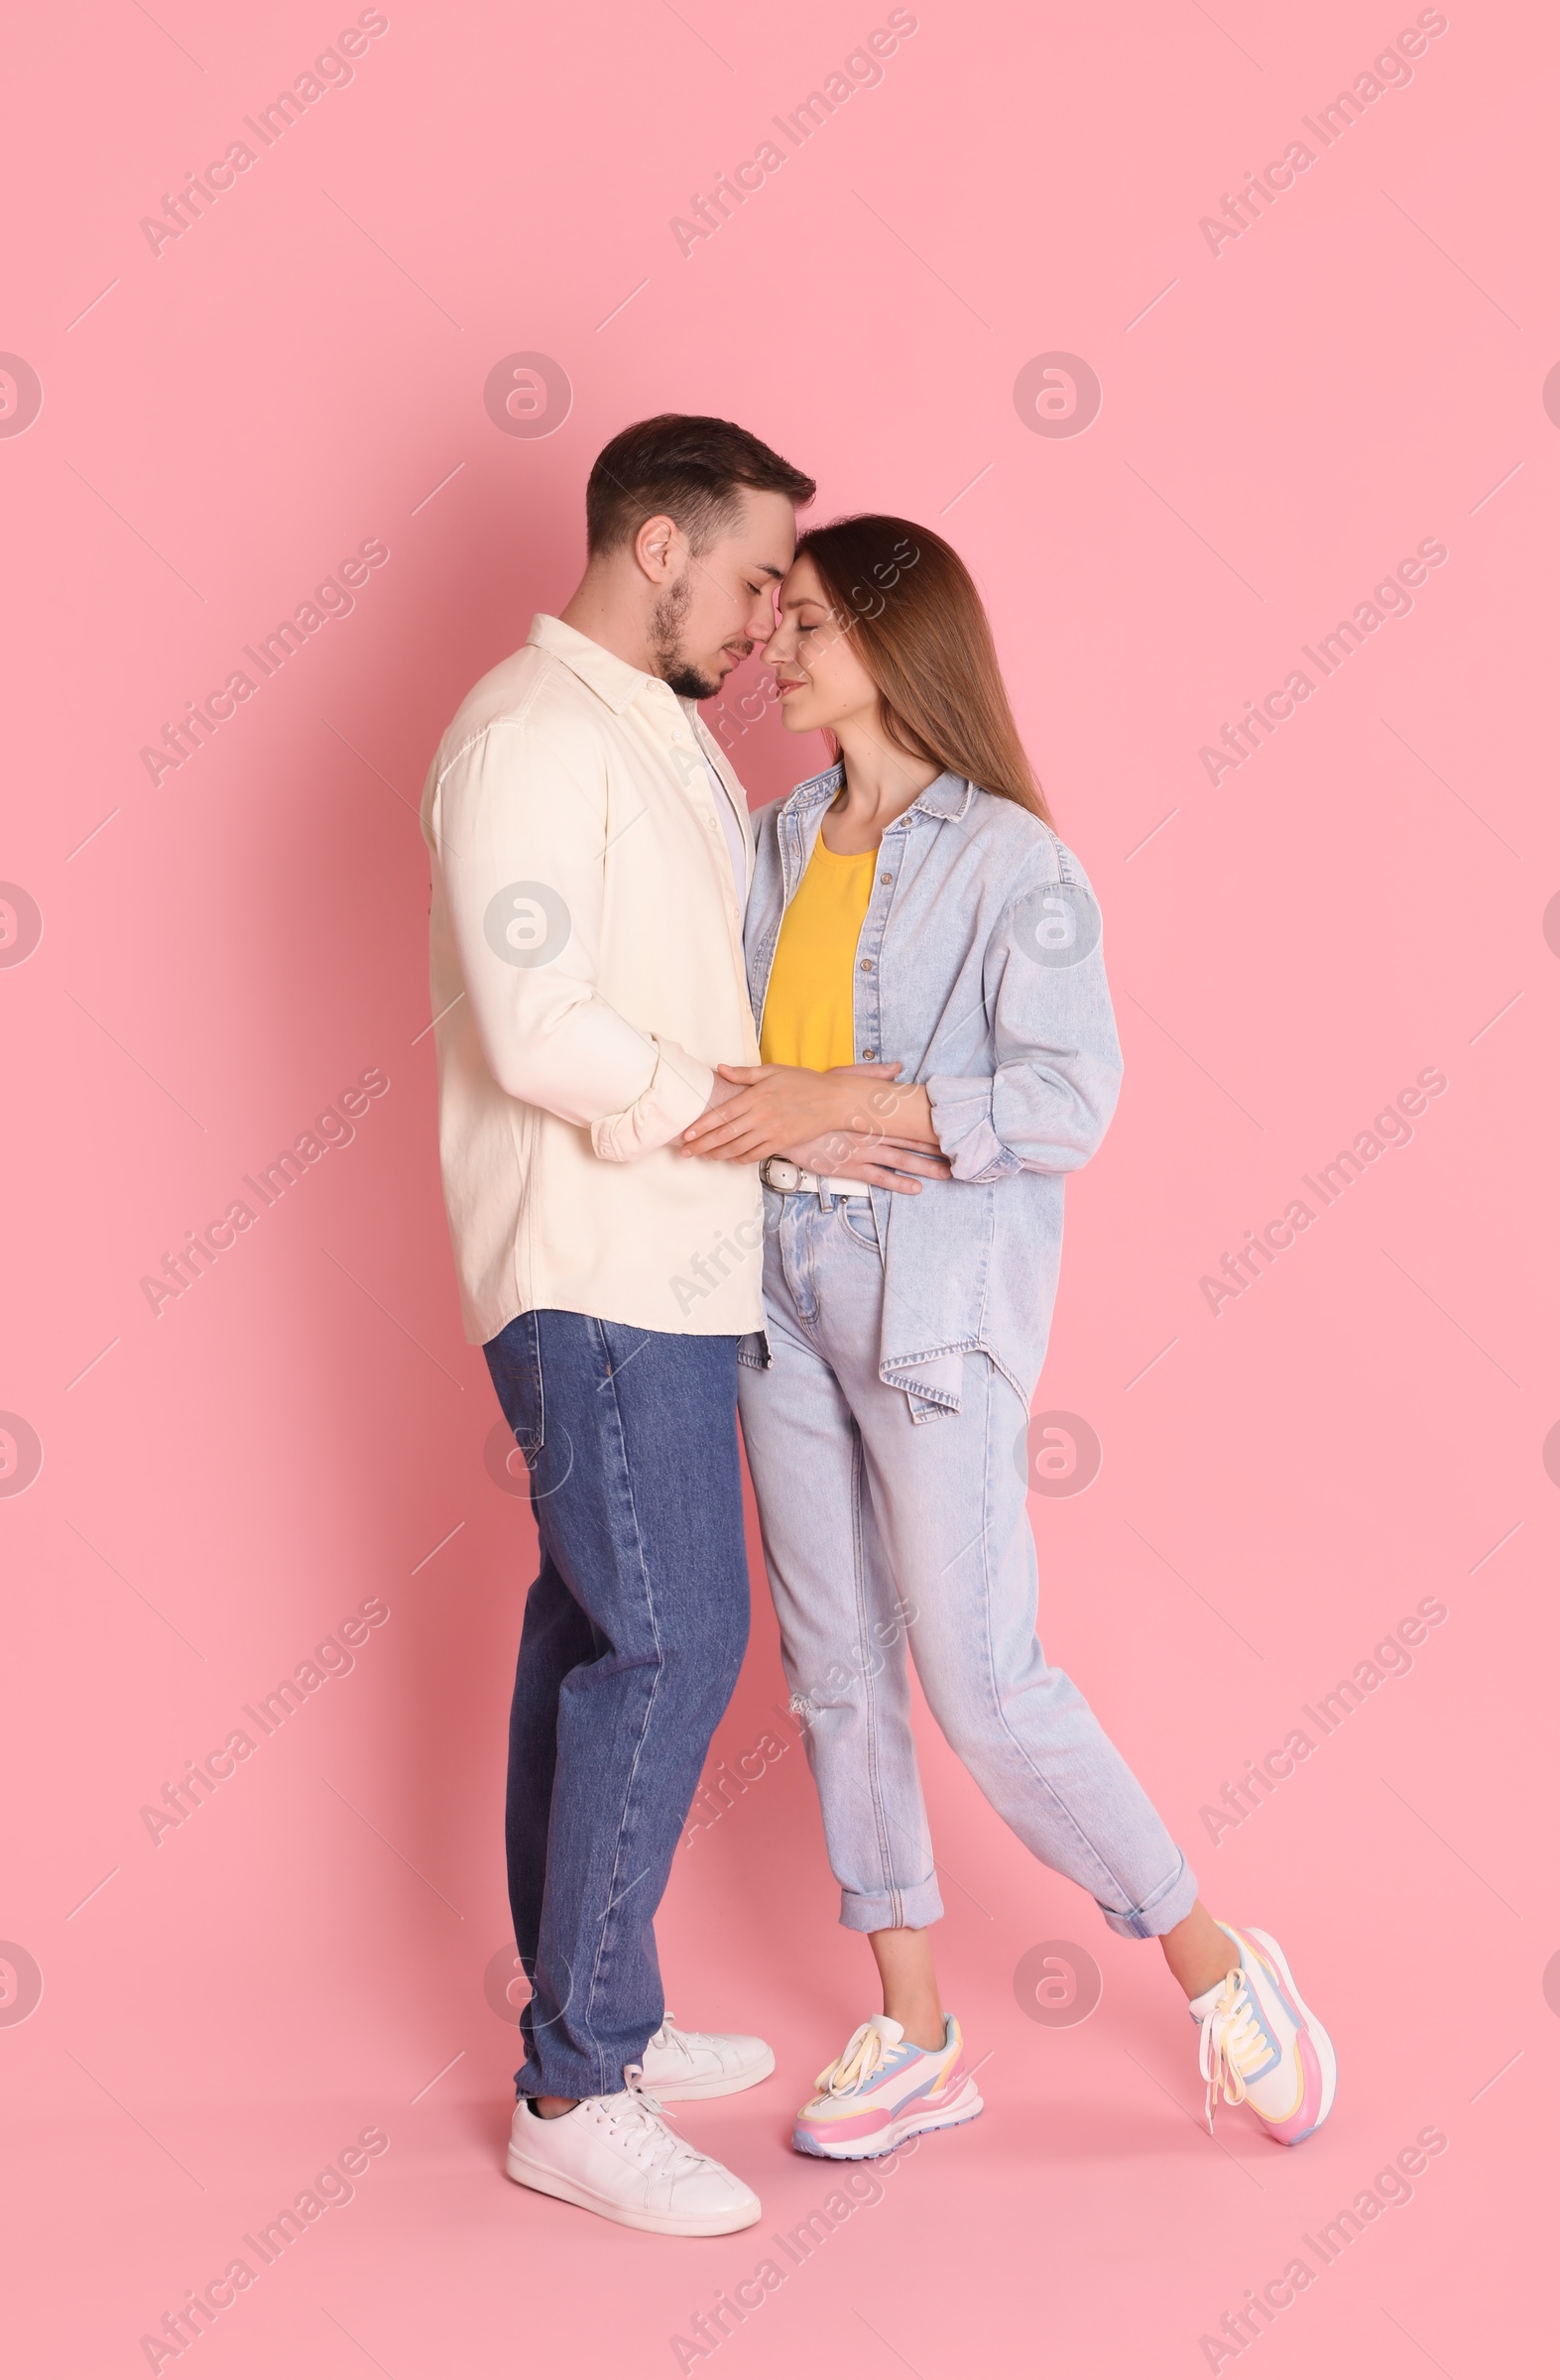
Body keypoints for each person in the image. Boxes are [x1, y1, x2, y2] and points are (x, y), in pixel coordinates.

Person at [679, 515, 1337, 2160]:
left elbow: (1067, 1100)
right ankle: (913, 2032)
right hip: (773, 1300)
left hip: (930, 1316)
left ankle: (1211, 1961)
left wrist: (856, 1103)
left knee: (983, 1680)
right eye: (780, 619)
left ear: (901, 645)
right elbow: (735, 1082)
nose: (776, 645)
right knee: (834, 1674)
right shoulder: (767, 843)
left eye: (811, 621)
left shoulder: (1014, 865)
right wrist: (787, 1126)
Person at [421, 415, 837, 2236]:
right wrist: (736, 1103)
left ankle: (605, 2011)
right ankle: (573, 2087)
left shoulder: (658, 728)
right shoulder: (526, 732)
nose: (765, 621)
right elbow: (536, 1029)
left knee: (594, 1634)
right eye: (752, 577)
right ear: (658, 546)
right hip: (589, 1266)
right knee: (672, 1645)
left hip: (667, 1259)